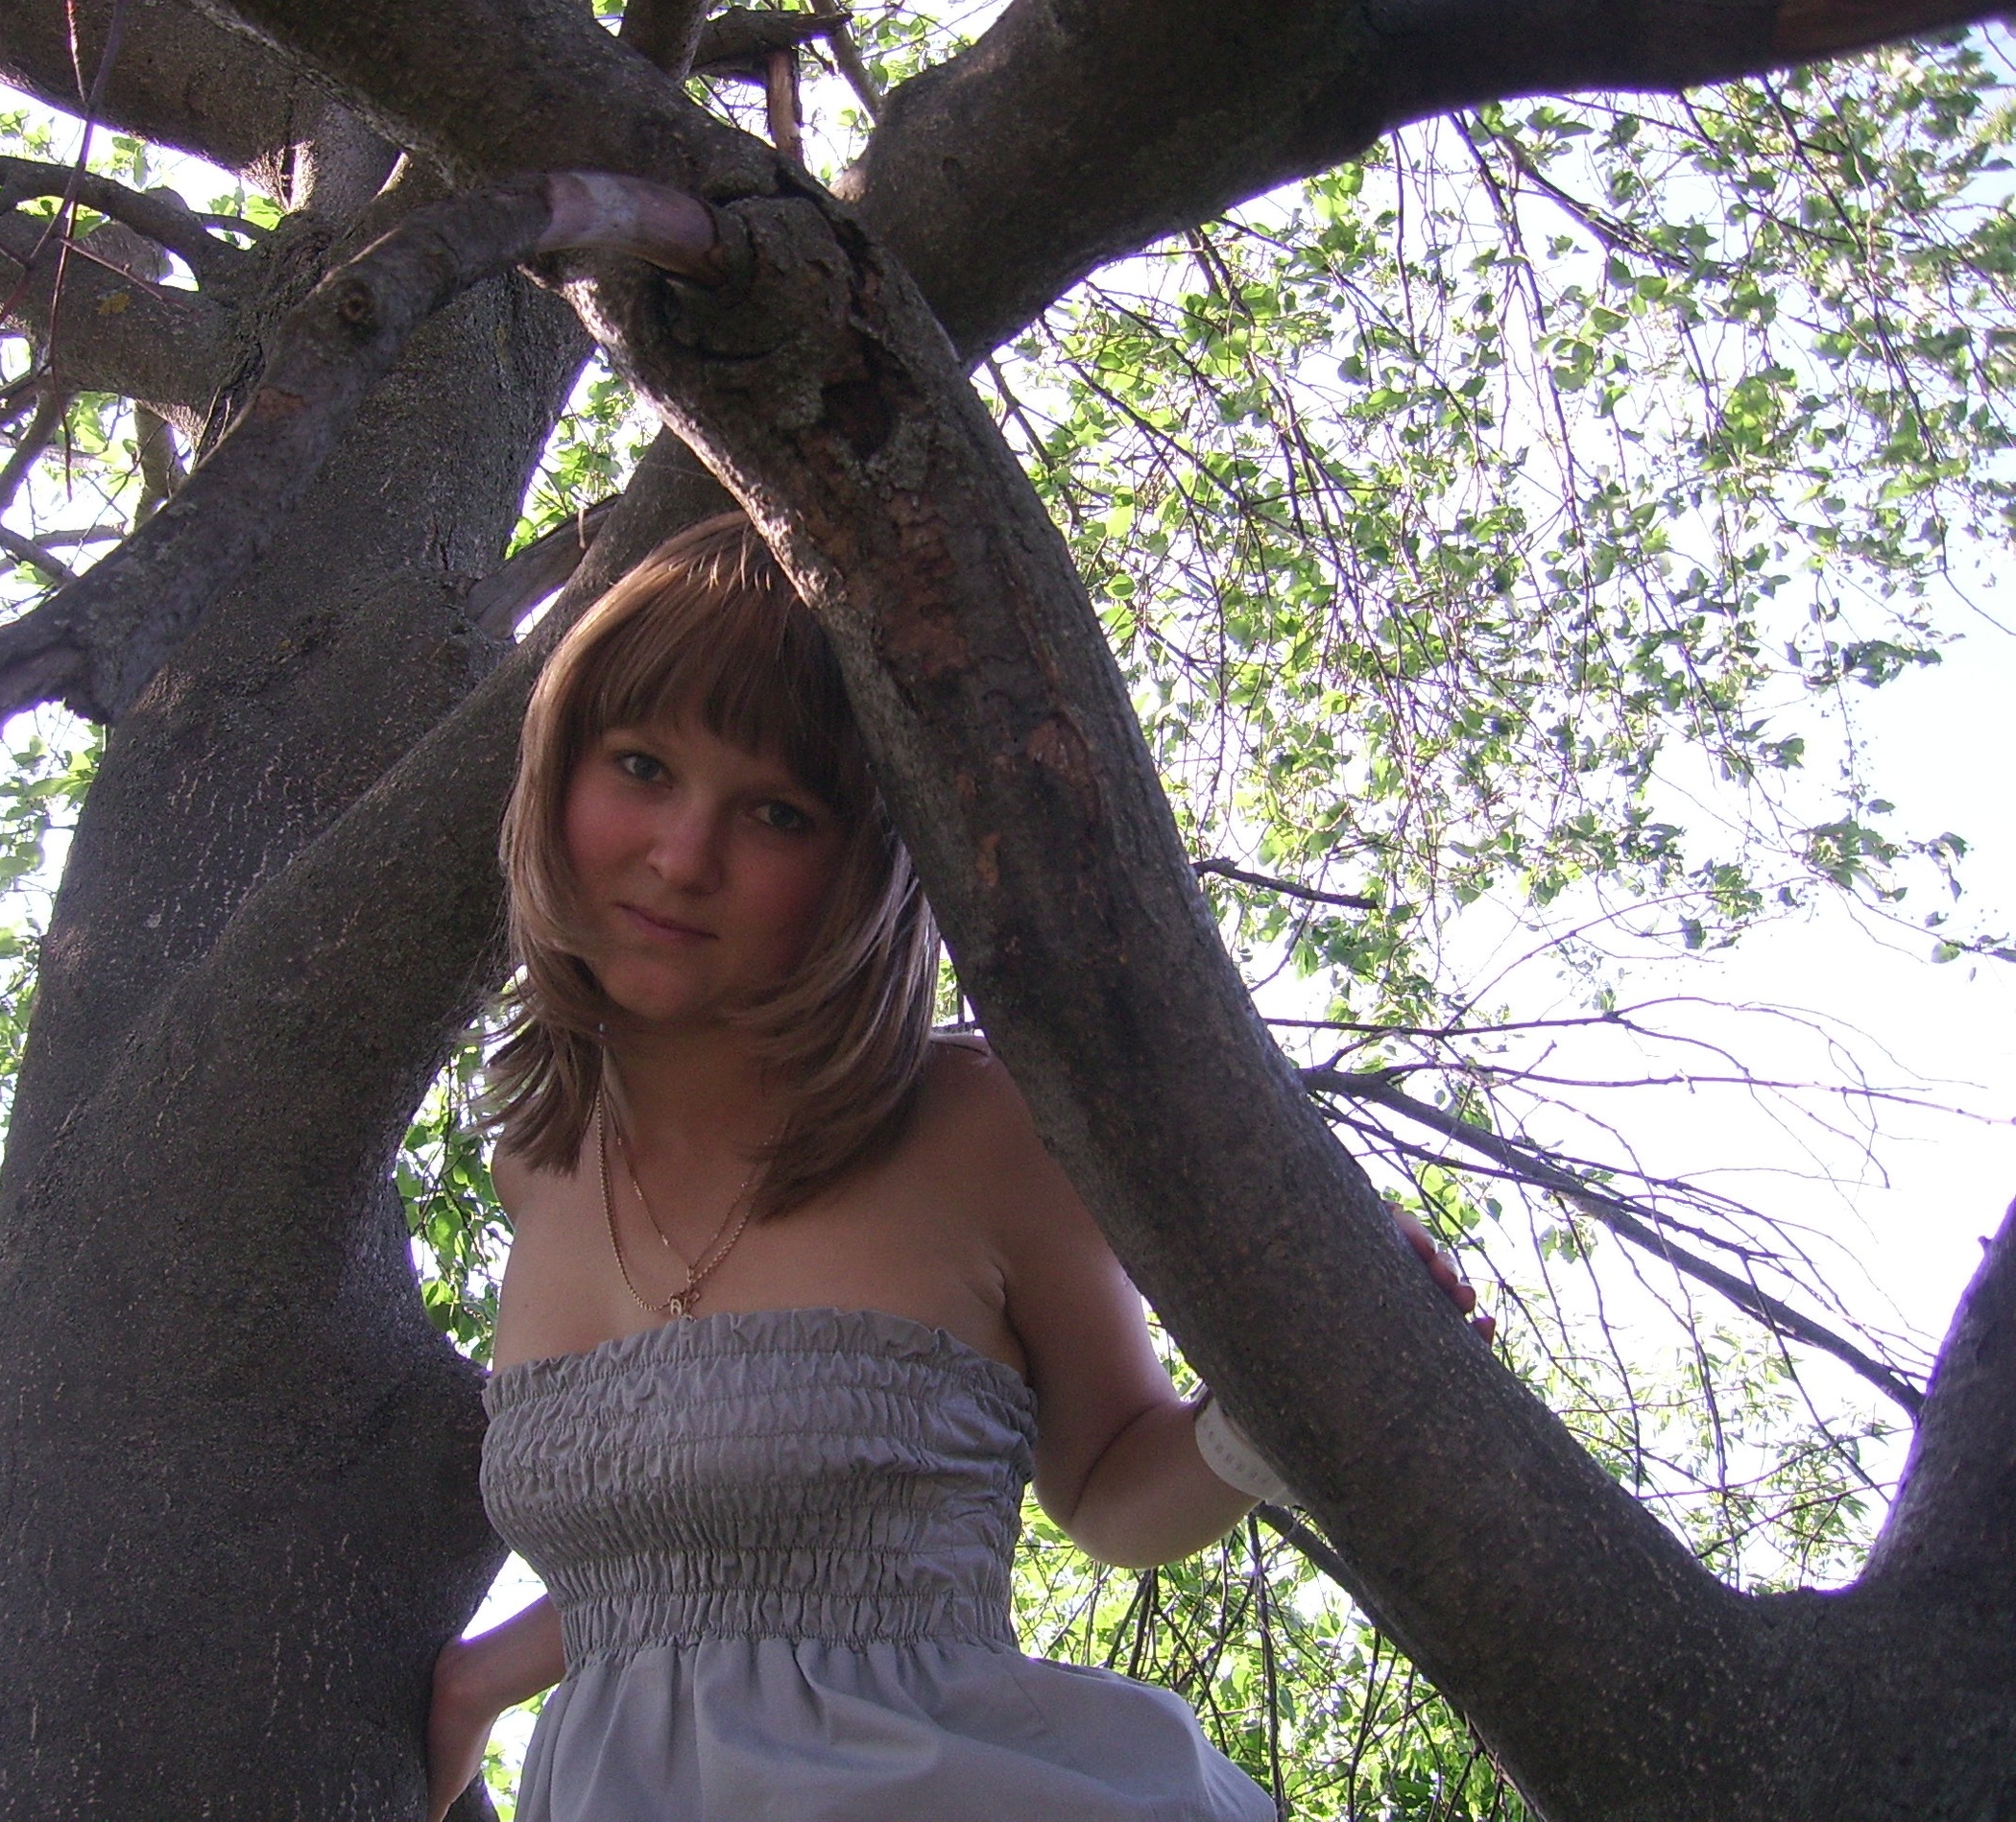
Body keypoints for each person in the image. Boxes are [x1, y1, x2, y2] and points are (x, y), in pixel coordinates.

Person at [424, 514, 1481, 1821]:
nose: (684, 857)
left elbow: (1110, 1493)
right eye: (642, 767)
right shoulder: (541, 1169)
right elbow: (701, 1551)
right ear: (557, 771)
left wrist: (1304, 1387)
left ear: (864, 864)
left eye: (776, 812)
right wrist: (479, 1682)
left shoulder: (979, 1127)